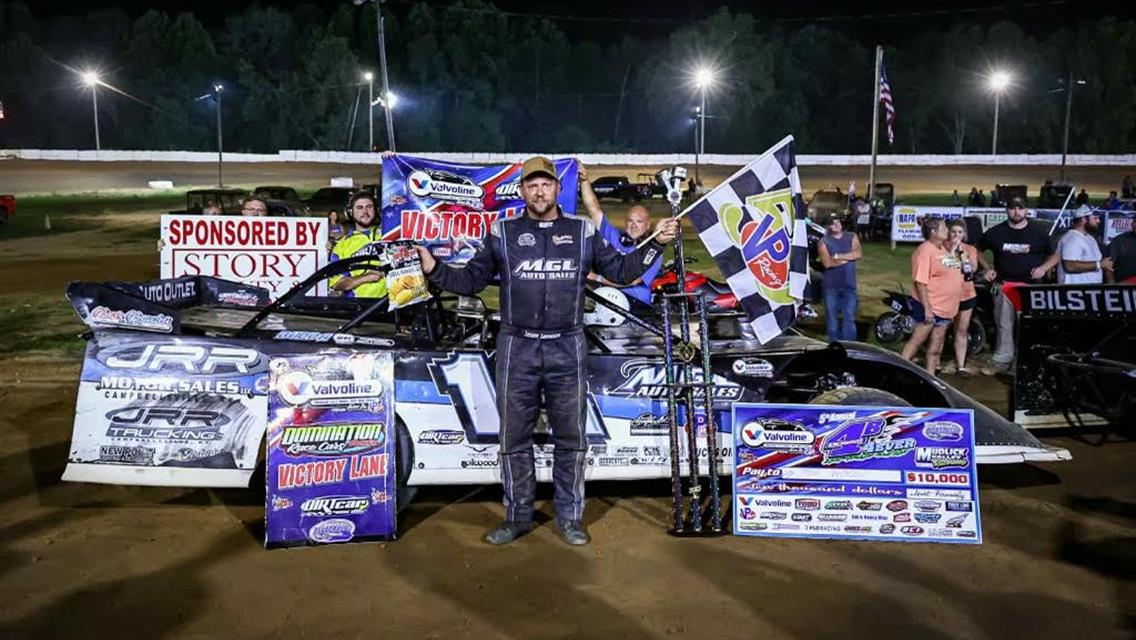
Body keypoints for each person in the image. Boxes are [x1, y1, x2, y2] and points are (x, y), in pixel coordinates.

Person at [416, 156, 676, 546]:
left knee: (570, 437)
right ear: (522, 191)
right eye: (532, 185)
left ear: (558, 189)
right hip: (516, 345)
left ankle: (570, 518)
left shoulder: (582, 231)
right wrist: (434, 267)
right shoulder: (502, 231)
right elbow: (470, 280)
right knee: (513, 437)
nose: (539, 191)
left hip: (567, 345)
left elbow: (622, 272)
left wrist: (655, 244)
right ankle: (518, 515)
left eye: (546, 184)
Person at [978, 196, 1053, 375]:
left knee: (1027, 327)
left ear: (1027, 210)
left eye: (1020, 208)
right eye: (1012, 208)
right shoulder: (996, 232)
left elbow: (1054, 254)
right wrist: (987, 267)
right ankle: (1001, 361)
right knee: (1004, 324)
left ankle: (1026, 364)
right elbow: (977, 249)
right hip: (1005, 287)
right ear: (1007, 210)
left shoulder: (1039, 232)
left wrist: (1044, 268)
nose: (1016, 212)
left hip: (1030, 289)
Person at [577, 163, 661, 304]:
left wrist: (595, 278)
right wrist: (584, 181)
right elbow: (594, 209)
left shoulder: (653, 250)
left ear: (647, 226)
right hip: (606, 299)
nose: (633, 225)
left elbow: (632, 281)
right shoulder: (614, 236)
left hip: (635, 303)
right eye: (630, 221)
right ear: (624, 223)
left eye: (639, 221)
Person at [901, 217, 962, 375]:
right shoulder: (925, 251)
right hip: (931, 307)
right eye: (944, 228)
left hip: (945, 308)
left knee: (935, 348)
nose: (947, 231)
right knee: (915, 343)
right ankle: (898, 371)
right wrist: (927, 309)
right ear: (934, 232)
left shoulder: (941, 249)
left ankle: (930, 378)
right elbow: (920, 282)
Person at [328, 192, 387, 298]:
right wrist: (366, 277)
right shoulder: (342, 246)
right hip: (360, 308)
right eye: (359, 208)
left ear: (376, 210)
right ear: (350, 213)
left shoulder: (389, 234)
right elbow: (337, 284)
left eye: (369, 207)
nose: (365, 212)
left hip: (394, 303)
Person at [945, 219, 984, 376]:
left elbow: (972, 269)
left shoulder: (969, 249)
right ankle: (935, 363)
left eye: (960, 232)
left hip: (966, 294)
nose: (956, 235)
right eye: (953, 232)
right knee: (940, 330)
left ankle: (960, 366)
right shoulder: (942, 248)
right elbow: (942, 266)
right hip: (946, 295)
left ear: (965, 234)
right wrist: (952, 250)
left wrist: (962, 255)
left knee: (961, 329)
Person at [1033, 205, 1107, 284]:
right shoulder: (1072, 239)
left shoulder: (1090, 238)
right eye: (1095, 218)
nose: (1098, 221)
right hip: (1076, 290)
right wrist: (1099, 265)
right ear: (1083, 219)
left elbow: (1058, 256)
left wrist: (1042, 268)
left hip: (1086, 290)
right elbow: (1070, 266)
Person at [817, 213, 861, 341]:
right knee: (832, 319)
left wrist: (837, 256)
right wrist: (847, 257)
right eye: (832, 223)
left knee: (849, 317)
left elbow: (858, 253)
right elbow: (827, 263)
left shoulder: (852, 236)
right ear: (828, 226)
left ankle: (849, 346)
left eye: (837, 221)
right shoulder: (823, 241)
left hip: (849, 286)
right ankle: (834, 345)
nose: (836, 224)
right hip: (831, 287)